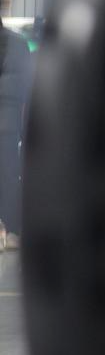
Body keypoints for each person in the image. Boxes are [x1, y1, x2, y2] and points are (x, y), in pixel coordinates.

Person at [0, 18, 32, 251]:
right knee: (9, 177)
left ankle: (10, 231)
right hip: (9, 126)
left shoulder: (18, 44)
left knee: (9, 178)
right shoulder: (19, 44)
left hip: (8, 123)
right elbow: (26, 88)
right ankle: (11, 232)